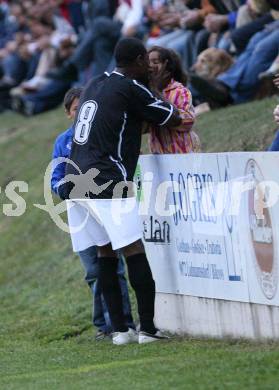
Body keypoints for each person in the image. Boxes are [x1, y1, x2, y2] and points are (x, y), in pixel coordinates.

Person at [62, 37, 181, 345]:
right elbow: (171, 116)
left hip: (74, 178)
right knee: (133, 249)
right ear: (141, 60)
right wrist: (154, 86)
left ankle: (120, 331)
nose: (150, 67)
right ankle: (148, 329)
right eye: (148, 62)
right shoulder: (132, 86)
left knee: (104, 250)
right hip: (106, 178)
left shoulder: (94, 83)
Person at [51, 87, 135, 340]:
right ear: (69, 113)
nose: (80, 114)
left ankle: (123, 323)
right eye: (75, 109)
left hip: (105, 208)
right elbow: (55, 177)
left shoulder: (102, 135)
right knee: (93, 270)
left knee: (113, 266)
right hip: (80, 215)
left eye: (84, 107)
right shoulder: (63, 141)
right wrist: (63, 187)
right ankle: (103, 324)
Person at [148, 46, 200, 153]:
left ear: (167, 70)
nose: (150, 66)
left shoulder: (180, 91)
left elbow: (188, 120)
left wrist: (156, 92)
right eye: (148, 62)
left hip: (183, 154)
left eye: (155, 62)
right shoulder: (146, 92)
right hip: (160, 156)